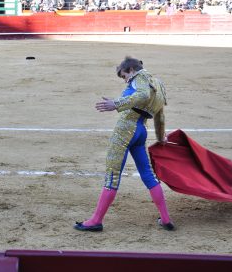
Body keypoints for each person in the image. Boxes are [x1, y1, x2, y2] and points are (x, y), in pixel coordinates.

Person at [74, 56, 175, 232]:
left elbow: (142, 95)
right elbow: (160, 116)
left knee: (112, 175)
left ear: (131, 70)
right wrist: (160, 138)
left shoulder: (140, 77)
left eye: (124, 76)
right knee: (149, 175)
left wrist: (116, 103)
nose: (126, 80)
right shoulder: (158, 85)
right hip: (140, 131)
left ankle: (96, 220)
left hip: (125, 130)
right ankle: (165, 219)